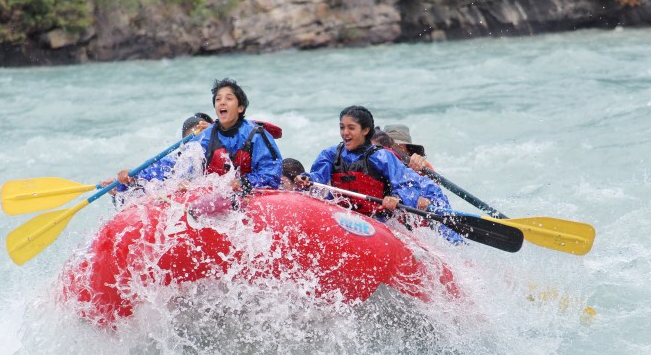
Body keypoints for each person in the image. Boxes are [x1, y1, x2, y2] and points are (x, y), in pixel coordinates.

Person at [295, 106, 461, 241]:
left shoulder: (384, 157)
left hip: (381, 222)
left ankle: (456, 243)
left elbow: (407, 185)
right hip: (344, 218)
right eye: (342, 127)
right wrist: (307, 179)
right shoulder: (330, 154)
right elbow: (318, 177)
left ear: (365, 130)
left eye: (351, 128)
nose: (345, 132)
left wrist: (396, 198)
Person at [116, 78, 283, 193]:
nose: (222, 102)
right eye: (218, 100)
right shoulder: (205, 137)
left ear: (240, 108)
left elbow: (272, 173)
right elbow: (175, 166)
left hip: (251, 196)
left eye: (228, 98)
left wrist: (245, 183)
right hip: (216, 197)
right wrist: (136, 175)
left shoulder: (257, 135)